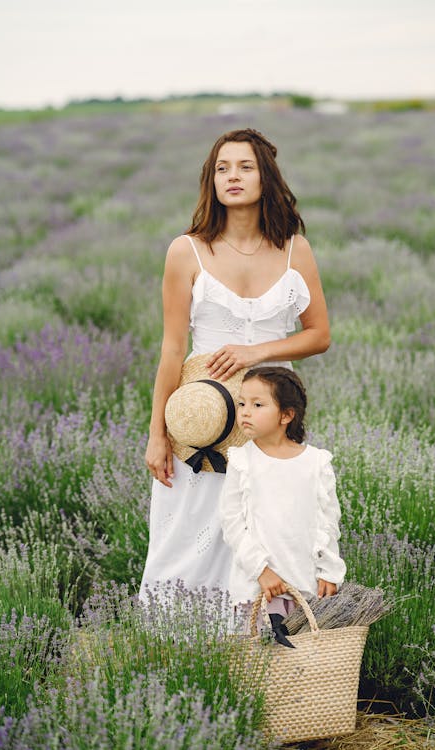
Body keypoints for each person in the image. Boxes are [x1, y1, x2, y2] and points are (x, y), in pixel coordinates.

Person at [139, 128, 331, 602]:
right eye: (222, 168)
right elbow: (171, 350)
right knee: (190, 532)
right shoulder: (187, 251)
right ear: (211, 181)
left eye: (245, 166)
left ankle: (262, 649)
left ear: (265, 177)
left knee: (271, 530)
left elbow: (319, 335)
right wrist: (158, 433)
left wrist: (257, 351)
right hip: (202, 417)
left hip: (268, 417)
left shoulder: (294, 250)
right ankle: (181, 647)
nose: (233, 176)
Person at [219, 367, 346, 635]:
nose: (245, 411)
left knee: (304, 661)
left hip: (305, 584)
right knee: (258, 662)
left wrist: (330, 571)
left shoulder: (316, 463)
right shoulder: (242, 461)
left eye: (257, 404)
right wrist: (261, 571)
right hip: (258, 587)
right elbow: (232, 524)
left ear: (287, 415)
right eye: (241, 403)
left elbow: (328, 521)